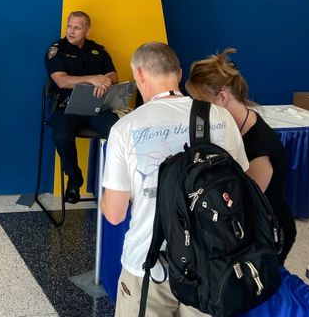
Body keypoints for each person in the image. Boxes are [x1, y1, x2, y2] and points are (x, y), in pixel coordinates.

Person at [101, 42, 248, 317]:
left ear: (141, 75)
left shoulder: (124, 128)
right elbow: (240, 186)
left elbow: (114, 214)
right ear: (178, 74)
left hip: (150, 262)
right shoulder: (219, 117)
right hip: (212, 262)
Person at [186, 48, 297, 265]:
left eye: (200, 103)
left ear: (223, 98)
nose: (196, 111)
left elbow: (240, 206)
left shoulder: (260, 148)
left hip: (269, 234)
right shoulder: (235, 127)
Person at [45, 11, 118, 204]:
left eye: (77, 28)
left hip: (96, 108)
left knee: (118, 130)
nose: (71, 31)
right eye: (70, 26)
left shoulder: (98, 51)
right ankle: (74, 178)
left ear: (87, 30)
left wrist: (105, 80)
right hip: (67, 108)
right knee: (61, 134)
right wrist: (91, 79)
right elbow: (61, 81)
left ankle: (116, 183)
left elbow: (113, 76)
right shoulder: (57, 50)